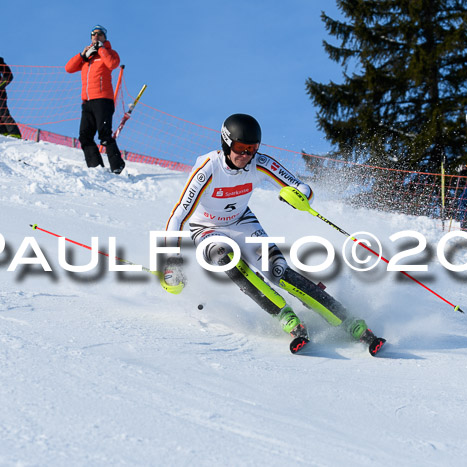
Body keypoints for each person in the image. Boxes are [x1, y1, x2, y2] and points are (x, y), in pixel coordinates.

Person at [161, 114, 385, 356]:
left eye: (252, 148)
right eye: (239, 147)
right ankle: (285, 316)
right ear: (226, 143)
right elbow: (178, 217)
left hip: (242, 223)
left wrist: (298, 197)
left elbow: (302, 187)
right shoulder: (208, 169)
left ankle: (352, 324)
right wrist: (171, 261)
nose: (245, 155)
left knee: (279, 272)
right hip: (206, 229)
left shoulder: (259, 163)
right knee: (227, 258)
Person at [65, 25, 125, 174]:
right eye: (93, 34)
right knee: (84, 136)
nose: (96, 36)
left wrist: (101, 50)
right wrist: (82, 55)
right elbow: (68, 68)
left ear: (105, 38)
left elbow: (112, 64)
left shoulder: (109, 53)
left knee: (104, 135)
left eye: (99, 34)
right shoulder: (88, 58)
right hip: (87, 102)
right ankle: (95, 167)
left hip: (103, 100)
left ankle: (117, 165)